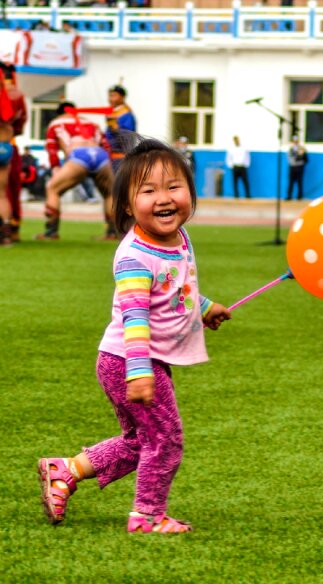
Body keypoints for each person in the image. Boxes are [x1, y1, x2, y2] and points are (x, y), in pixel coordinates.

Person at [35, 138, 231, 532]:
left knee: (142, 440)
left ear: (190, 194)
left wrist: (205, 307)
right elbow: (134, 316)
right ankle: (147, 515)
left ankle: (65, 470)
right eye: (148, 190)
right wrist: (139, 371)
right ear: (126, 206)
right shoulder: (134, 257)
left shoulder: (178, 239)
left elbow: (175, 288)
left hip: (134, 361)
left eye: (174, 186)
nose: (165, 198)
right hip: (130, 359)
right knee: (166, 440)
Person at [37, 101, 114, 240]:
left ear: (59, 112)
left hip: (79, 155)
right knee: (109, 194)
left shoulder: (56, 122)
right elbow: (106, 145)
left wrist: (55, 166)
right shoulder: (91, 123)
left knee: (52, 188)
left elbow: (51, 147)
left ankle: (51, 232)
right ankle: (112, 233)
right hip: (100, 155)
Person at [0, 62, 25, 245]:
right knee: (2, 194)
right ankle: (7, 234)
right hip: (6, 146)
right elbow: (20, 125)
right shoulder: (16, 94)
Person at [105, 84, 136, 172]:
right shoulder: (114, 113)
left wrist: (115, 128)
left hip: (121, 157)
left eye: (114, 95)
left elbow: (128, 137)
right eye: (110, 96)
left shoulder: (127, 115)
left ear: (122, 97)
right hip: (110, 157)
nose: (110, 99)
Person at [286, 134, 308, 201]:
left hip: (299, 167)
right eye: (294, 141)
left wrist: (301, 155)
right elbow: (290, 159)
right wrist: (297, 157)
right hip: (292, 167)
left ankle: (299, 196)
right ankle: (289, 196)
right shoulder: (290, 149)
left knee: (299, 181)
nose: (295, 142)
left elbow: (305, 159)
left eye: (296, 141)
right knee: (291, 182)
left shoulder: (302, 149)